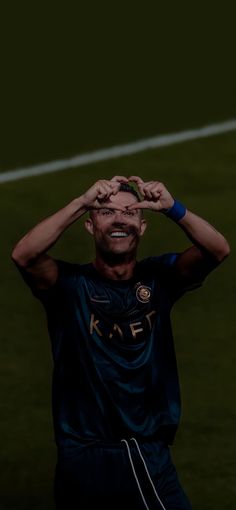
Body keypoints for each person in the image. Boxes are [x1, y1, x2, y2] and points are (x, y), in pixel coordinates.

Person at [11, 175, 230, 510]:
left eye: (129, 213)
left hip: (139, 449)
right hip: (95, 452)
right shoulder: (70, 287)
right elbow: (24, 255)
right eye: (106, 211)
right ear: (89, 225)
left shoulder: (159, 280)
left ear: (142, 227)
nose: (118, 220)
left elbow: (218, 249)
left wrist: (173, 208)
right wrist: (82, 201)